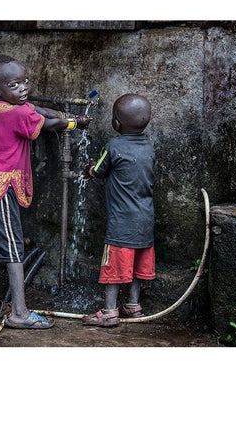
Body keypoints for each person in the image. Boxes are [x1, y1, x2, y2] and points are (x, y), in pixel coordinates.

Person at [0, 54, 92, 329]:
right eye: (15, 85)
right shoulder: (18, 113)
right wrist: (72, 122)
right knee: (13, 250)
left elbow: (36, 109)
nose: (23, 88)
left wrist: (64, 115)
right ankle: (19, 313)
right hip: (4, 189)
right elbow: (44, 122)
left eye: (25, 81)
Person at [80, 94, 155, 327]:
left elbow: (100, 169)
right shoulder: (148, 146)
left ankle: (109, 312)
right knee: (136, 266)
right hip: (146, 219)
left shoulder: (113, 146)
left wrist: (89, 169)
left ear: (116, 123)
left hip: (121, 222)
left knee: (113, 266)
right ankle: (133, 306)